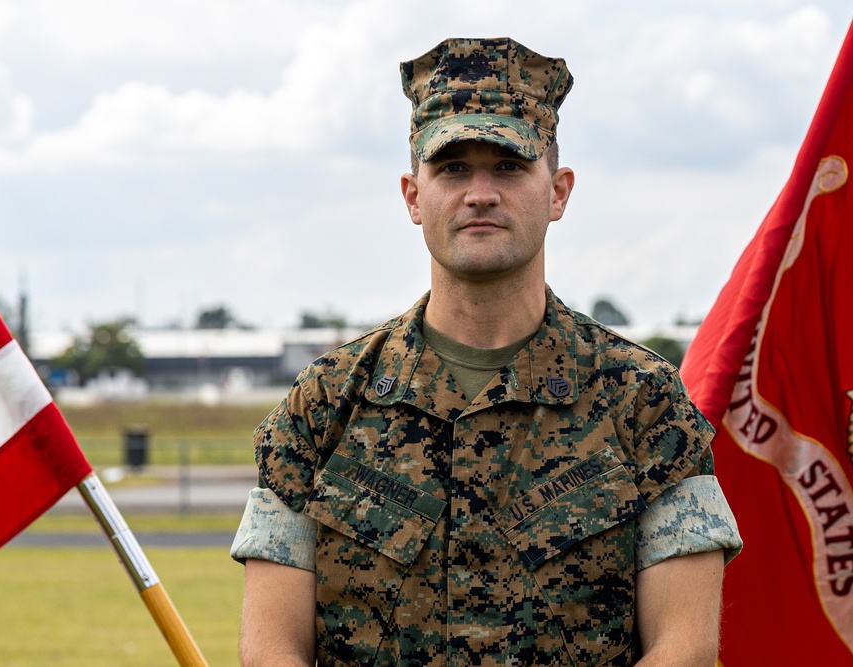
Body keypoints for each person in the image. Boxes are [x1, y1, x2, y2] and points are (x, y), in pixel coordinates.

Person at [231, 37, 742, 667]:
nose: (480, 193)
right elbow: (272, 651)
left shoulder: (643, 403)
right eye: (451, 169)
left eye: (507, 166)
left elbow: (684, 648)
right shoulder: (326, 404)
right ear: (413, 196)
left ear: (558, 191)